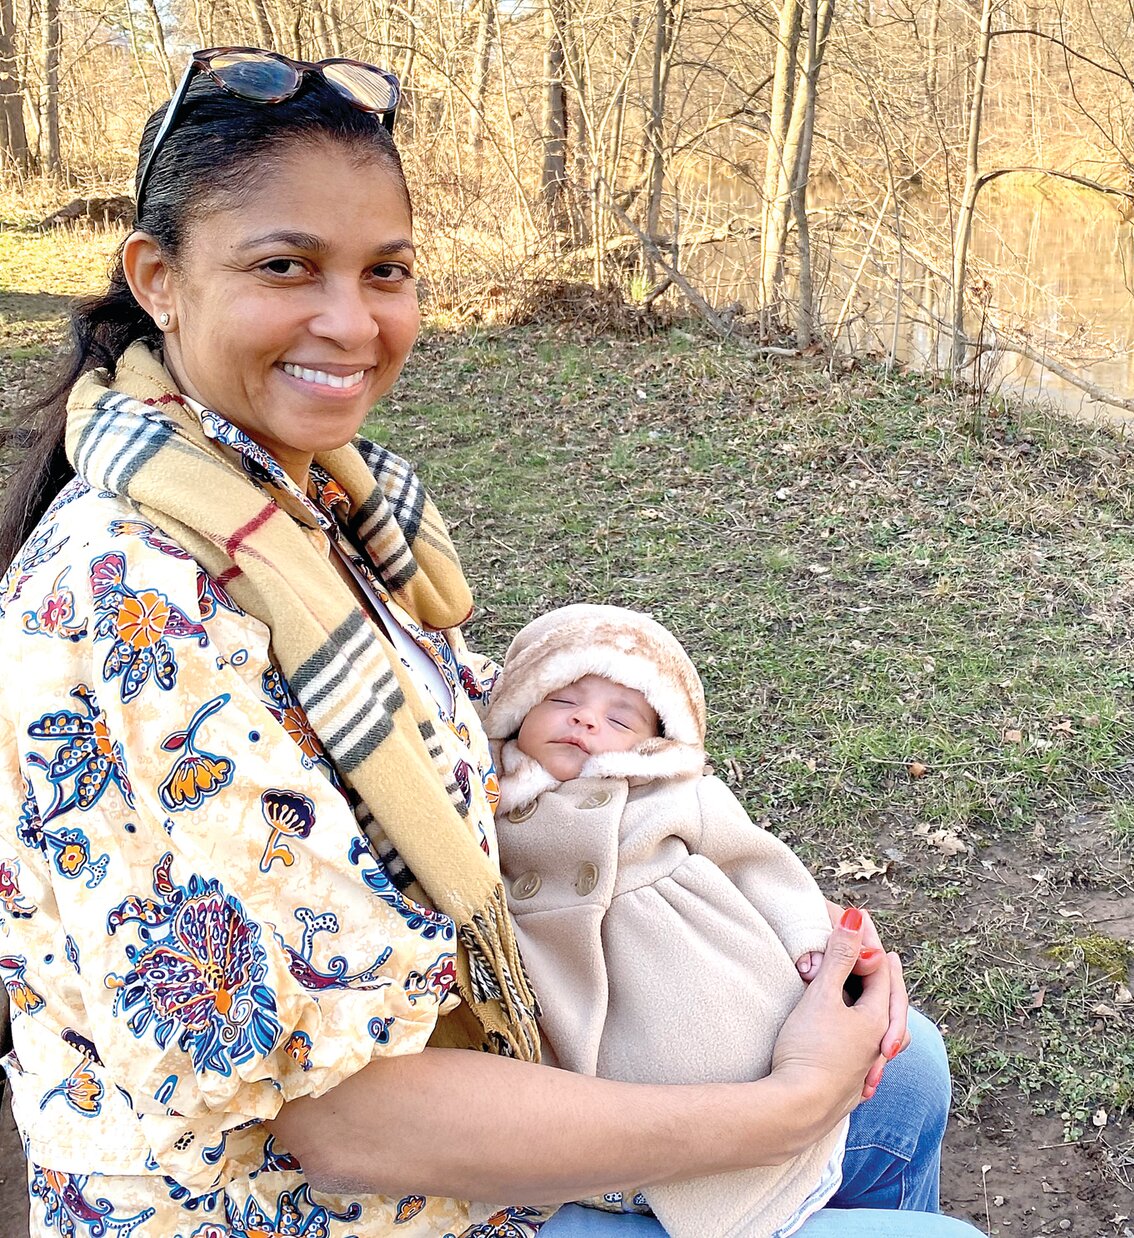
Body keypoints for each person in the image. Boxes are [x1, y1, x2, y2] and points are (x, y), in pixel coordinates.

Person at [0, 46, 983, 1238]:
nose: (350, 321)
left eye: (387, 269)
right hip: (311, 1202)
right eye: (285, 266)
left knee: (905, 1062)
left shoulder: (294, 507)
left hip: (452, 1056)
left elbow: (456, 728)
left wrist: (738, 888)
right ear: (156, 276)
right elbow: (347, 1117)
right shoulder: (134, 605)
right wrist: (784, 1103)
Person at [486, 603, 865, 1237]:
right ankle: (625, 1190)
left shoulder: (676, 792)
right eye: (562, 700)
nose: (585, 719)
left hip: (701, 983)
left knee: (735, 1074)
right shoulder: (487, 801)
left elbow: (757, 863)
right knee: (615, 1122)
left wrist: (806, 937)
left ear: (654, 739)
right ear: (518, 709)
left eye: (618, 716)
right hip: (567, 1015)